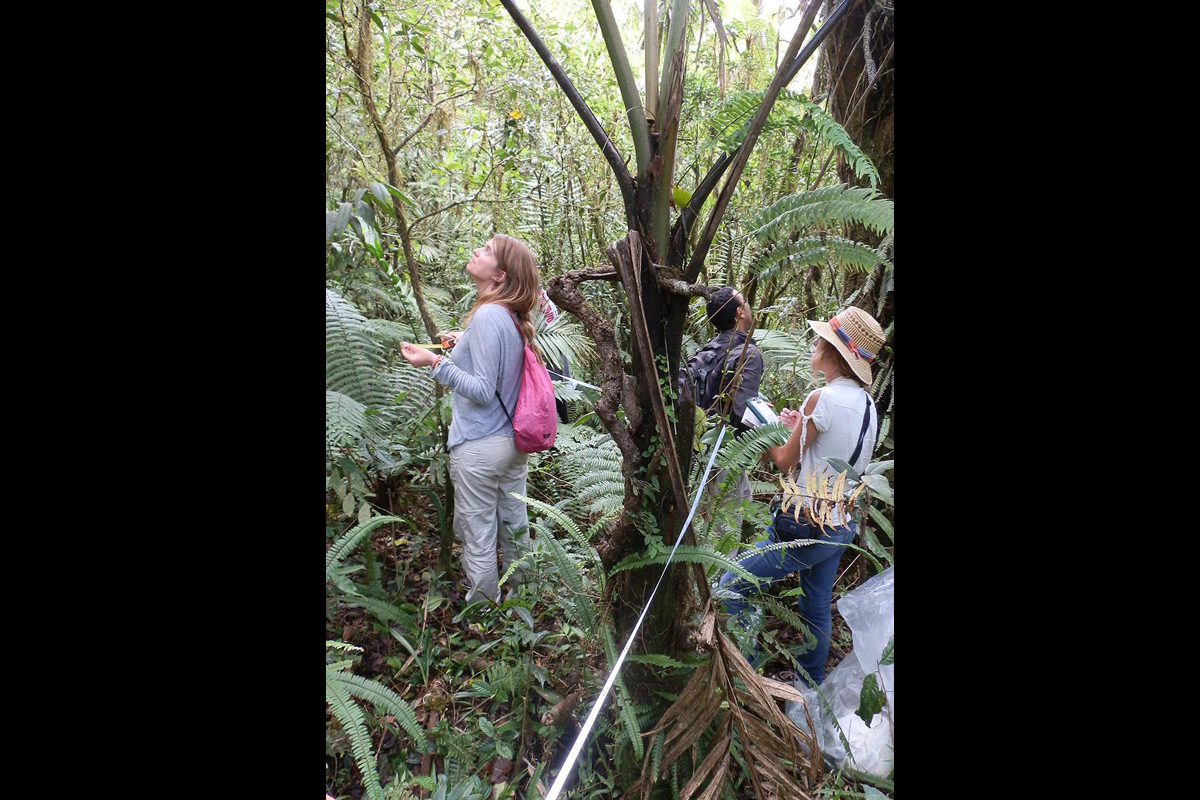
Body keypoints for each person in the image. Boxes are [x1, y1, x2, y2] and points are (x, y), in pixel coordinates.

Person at [717, 306, 885, 685]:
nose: (814, 341)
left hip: (803, 526)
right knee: (815, 606)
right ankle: (809, 687)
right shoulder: (868, 406)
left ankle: (748, 671)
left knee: (730, 584)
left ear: (837, 352)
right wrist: (796, 428)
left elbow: (781, 460)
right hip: (840, 523)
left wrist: (766, 430)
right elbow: (829, 454)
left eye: (820, 338)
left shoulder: (821, 398)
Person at [399, 234, 544, 604]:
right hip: (511, 444)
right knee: (515, 525)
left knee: (478, 533)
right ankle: (521, 602)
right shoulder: (509, 316)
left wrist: (433, 362)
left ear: (499, 276)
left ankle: (483, 611)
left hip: (480, 446)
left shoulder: (488, 315)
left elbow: (481, 388)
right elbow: (495, 359)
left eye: (487, 251)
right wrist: (461, 341)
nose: (477, 251)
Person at [686, 287, 764, 549]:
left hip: (701, 447)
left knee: (739, 508)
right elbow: (740, 415)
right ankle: (720, 587)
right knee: (724, 535)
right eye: (746, 302)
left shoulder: (708, 350)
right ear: (740, 312)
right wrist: (766, 421)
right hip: (727, 451)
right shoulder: (748, 355)